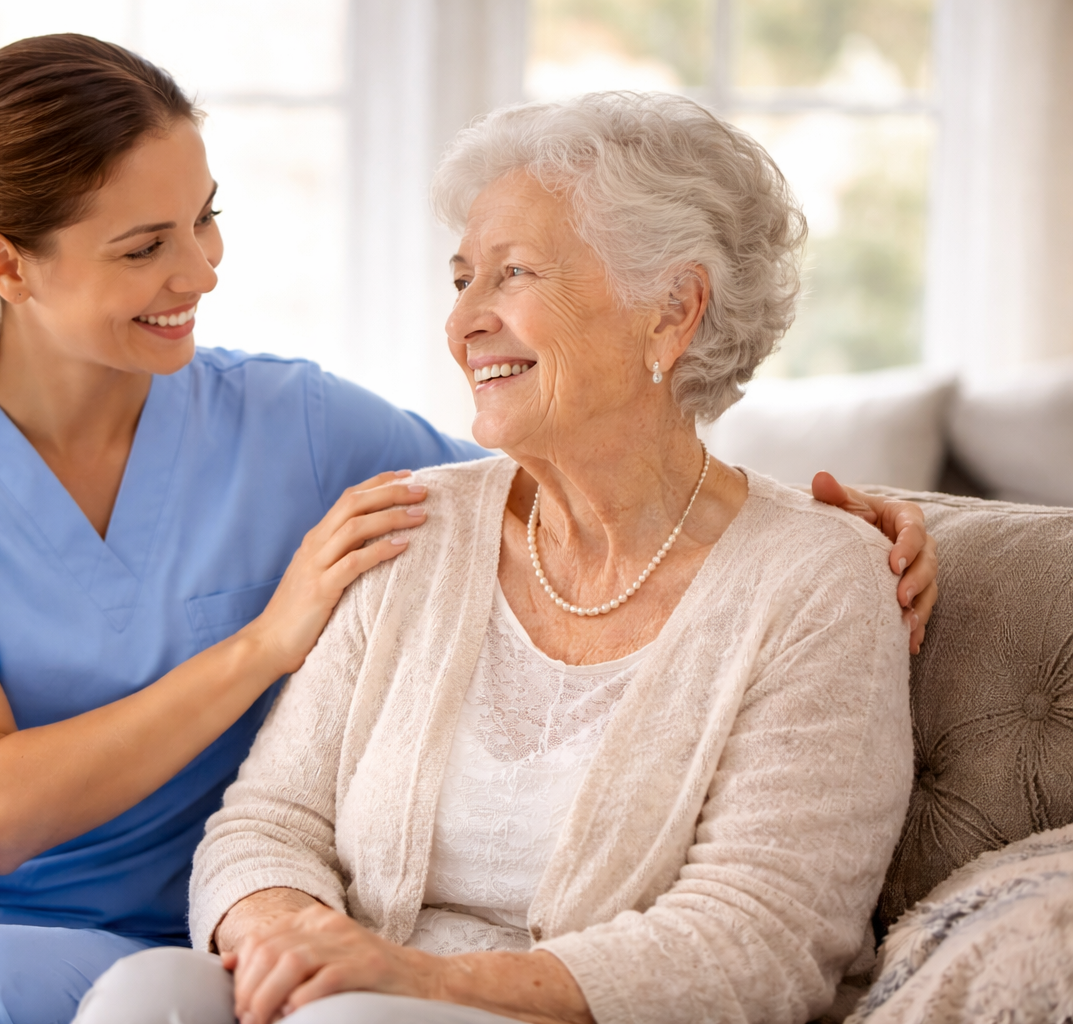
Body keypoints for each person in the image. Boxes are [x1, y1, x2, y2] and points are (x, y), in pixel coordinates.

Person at [0, 37, 935, 1024]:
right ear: (6, 265)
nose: (201, 270)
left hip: (116, 923)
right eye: (148, 245)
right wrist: (266, 644)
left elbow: (591, 463)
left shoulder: (299, 424)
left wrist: (851, 521)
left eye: (208, 218)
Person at [75, 93, 919, 1024]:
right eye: (460, 280)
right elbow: (269, 822)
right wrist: (287, 934)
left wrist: (417, 983)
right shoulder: (412, 526)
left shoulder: (817, 582)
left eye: (511, 275)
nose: (463, 324)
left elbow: (760, 938)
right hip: (346, 999)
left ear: (672, 312)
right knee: (144, 992)